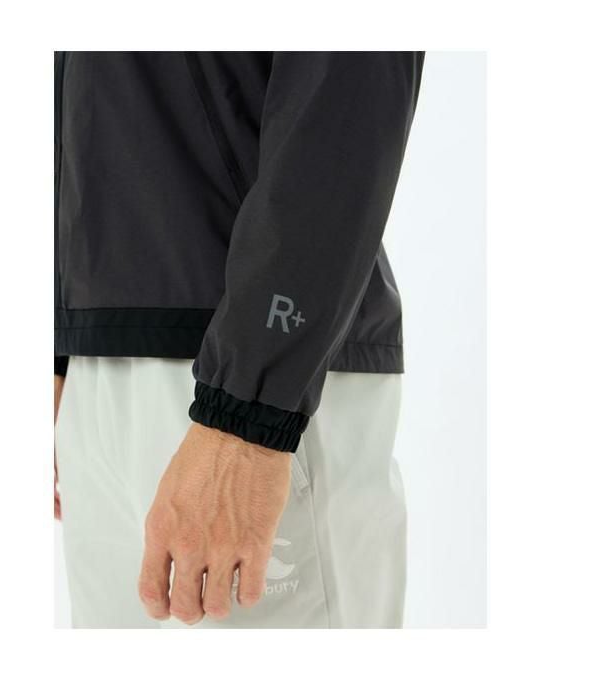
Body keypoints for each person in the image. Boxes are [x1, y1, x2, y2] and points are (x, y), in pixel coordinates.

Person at [54, 51, 424, 629]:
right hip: (98, 363)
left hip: (253, 371)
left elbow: (348, 85)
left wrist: (249, 413)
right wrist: (59, 348)